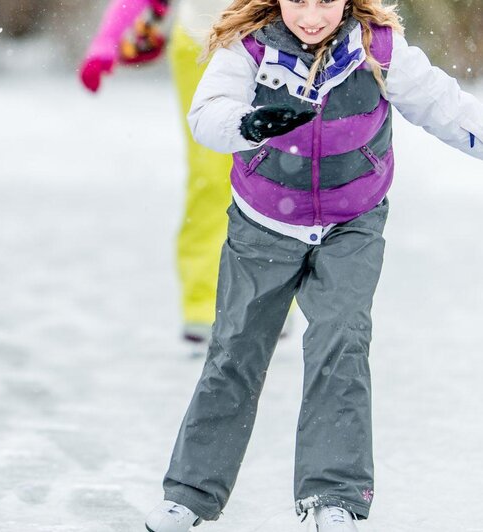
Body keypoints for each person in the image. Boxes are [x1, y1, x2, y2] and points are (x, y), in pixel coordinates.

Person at [143, 0, 483, 531]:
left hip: (352, 224)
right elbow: (206, 115)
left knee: (341, 342)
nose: (311, 15)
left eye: (325, 0)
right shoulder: (249, 45)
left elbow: (447, 107)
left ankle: (335, 497)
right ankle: (190, 493)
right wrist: (249, 123)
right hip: (263, 225)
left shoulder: (377, 47)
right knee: (236, 349)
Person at [80, 0, 237, 356]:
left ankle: (272, 294)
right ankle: (203, 302)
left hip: (275, 48)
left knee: (272, 170)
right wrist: (107, 39)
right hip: (200, 45)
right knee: (210, 176)